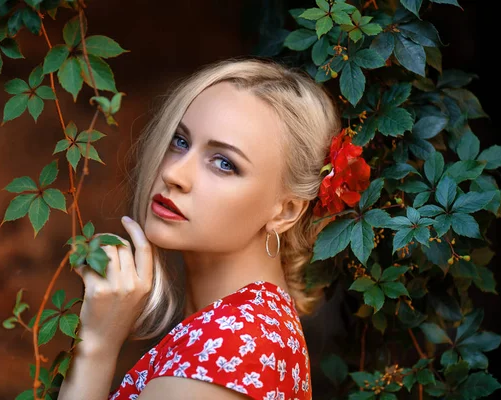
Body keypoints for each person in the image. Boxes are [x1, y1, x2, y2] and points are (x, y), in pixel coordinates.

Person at [57, 56, 341, 400]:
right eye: (179, 141)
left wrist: (97, 347)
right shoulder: (251, 330)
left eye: (224, 164)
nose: (174, 174)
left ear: (286, 211)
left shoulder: (228, 352)